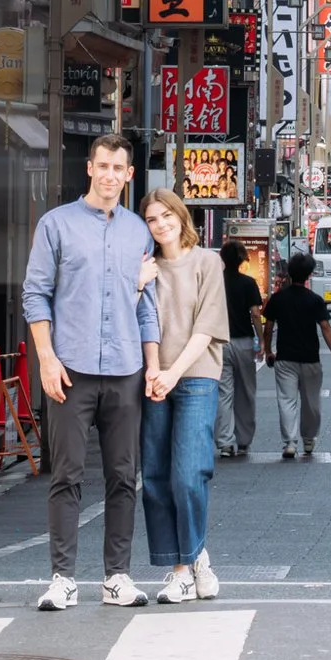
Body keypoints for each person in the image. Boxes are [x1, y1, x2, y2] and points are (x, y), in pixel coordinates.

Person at [22, 134, 160, 612]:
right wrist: (46, 356)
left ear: (129, 175)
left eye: (116, 167)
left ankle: (117, 577)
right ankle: (62, 578)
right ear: (89, 169)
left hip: (125, 369)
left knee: (124, 475)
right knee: (67, 475)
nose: (107, 174)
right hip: (70, 368)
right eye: (101, 165)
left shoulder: (139, 232)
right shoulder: (55, 224)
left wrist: (153, 366)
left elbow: (147, 308)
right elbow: (35, 293)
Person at [137, 190, 228, 604]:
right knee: (155, 477)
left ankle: (192, 558)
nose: (161, 224)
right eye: (152, 219)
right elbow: (142, 321)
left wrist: (172, 373)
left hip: (195, 377)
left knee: (188, 474)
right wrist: (155, 369)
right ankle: (182, 568)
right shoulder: (146, 268)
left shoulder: (208, 261)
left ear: (181, 215)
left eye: (167, 215)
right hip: (156, 377)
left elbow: (206, 328)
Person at [261, 252, 331, 459]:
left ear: (289, 272)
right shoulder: (315, 300)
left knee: (286, 400)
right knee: (311, 400)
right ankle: (309, 439)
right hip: (310, 358)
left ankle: (289, 442)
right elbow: (325, 328)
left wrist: (268, 350)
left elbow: (268, 327)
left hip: (285, 357)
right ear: (309, 275)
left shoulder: (278, 298)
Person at [215, 239, 263, 461]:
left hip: (218, 343)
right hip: (243, 342)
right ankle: (243, 440)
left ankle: (225, 443)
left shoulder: (215, 282)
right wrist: (262, 341)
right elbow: (255, 314)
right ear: (242, 259)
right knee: (245, 392)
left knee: (224, 394)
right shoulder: (248, 283)